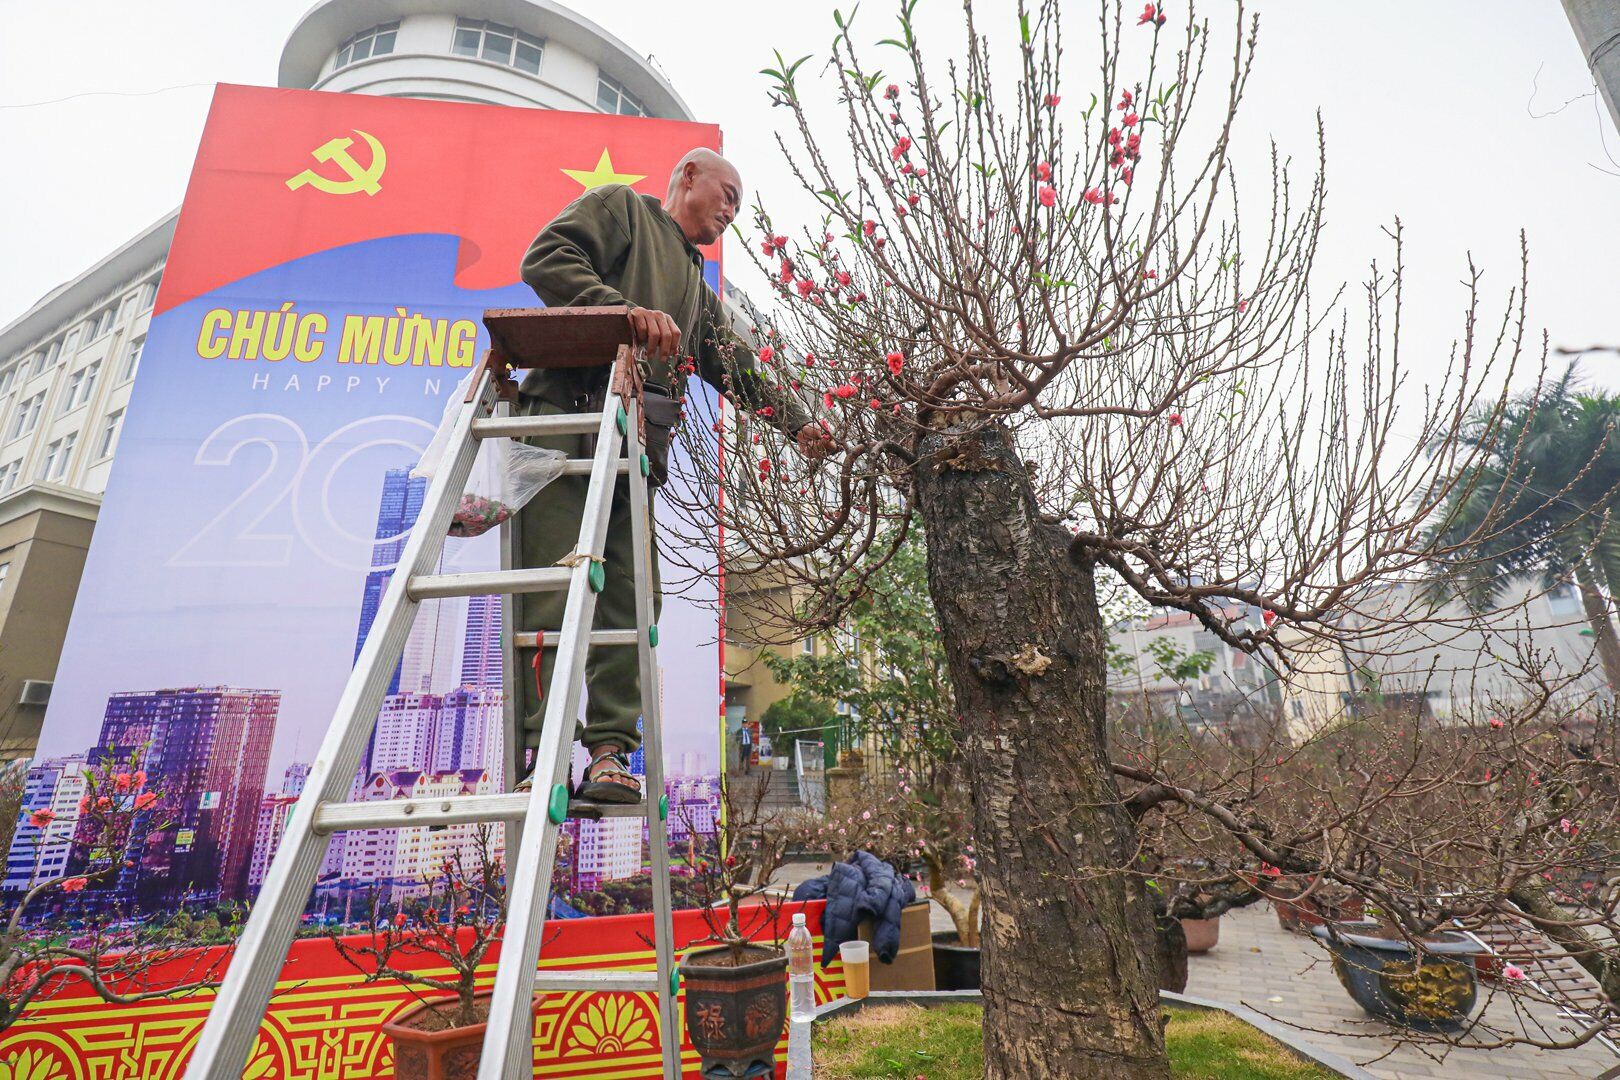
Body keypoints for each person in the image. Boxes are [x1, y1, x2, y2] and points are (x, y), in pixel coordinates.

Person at [515, 148, 834, 803]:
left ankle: (607, 756)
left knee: (632, 602)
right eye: (727, 193)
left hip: (634, 456)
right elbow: (545, 261)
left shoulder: (695, 286)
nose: (731, 211)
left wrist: (797, 422)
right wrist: (622, 314)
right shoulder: (621, 209)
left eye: (740, 205)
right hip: (563, 428)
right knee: (550, 594)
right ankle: (537, 753)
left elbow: (736, 364)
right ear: (687, 177)